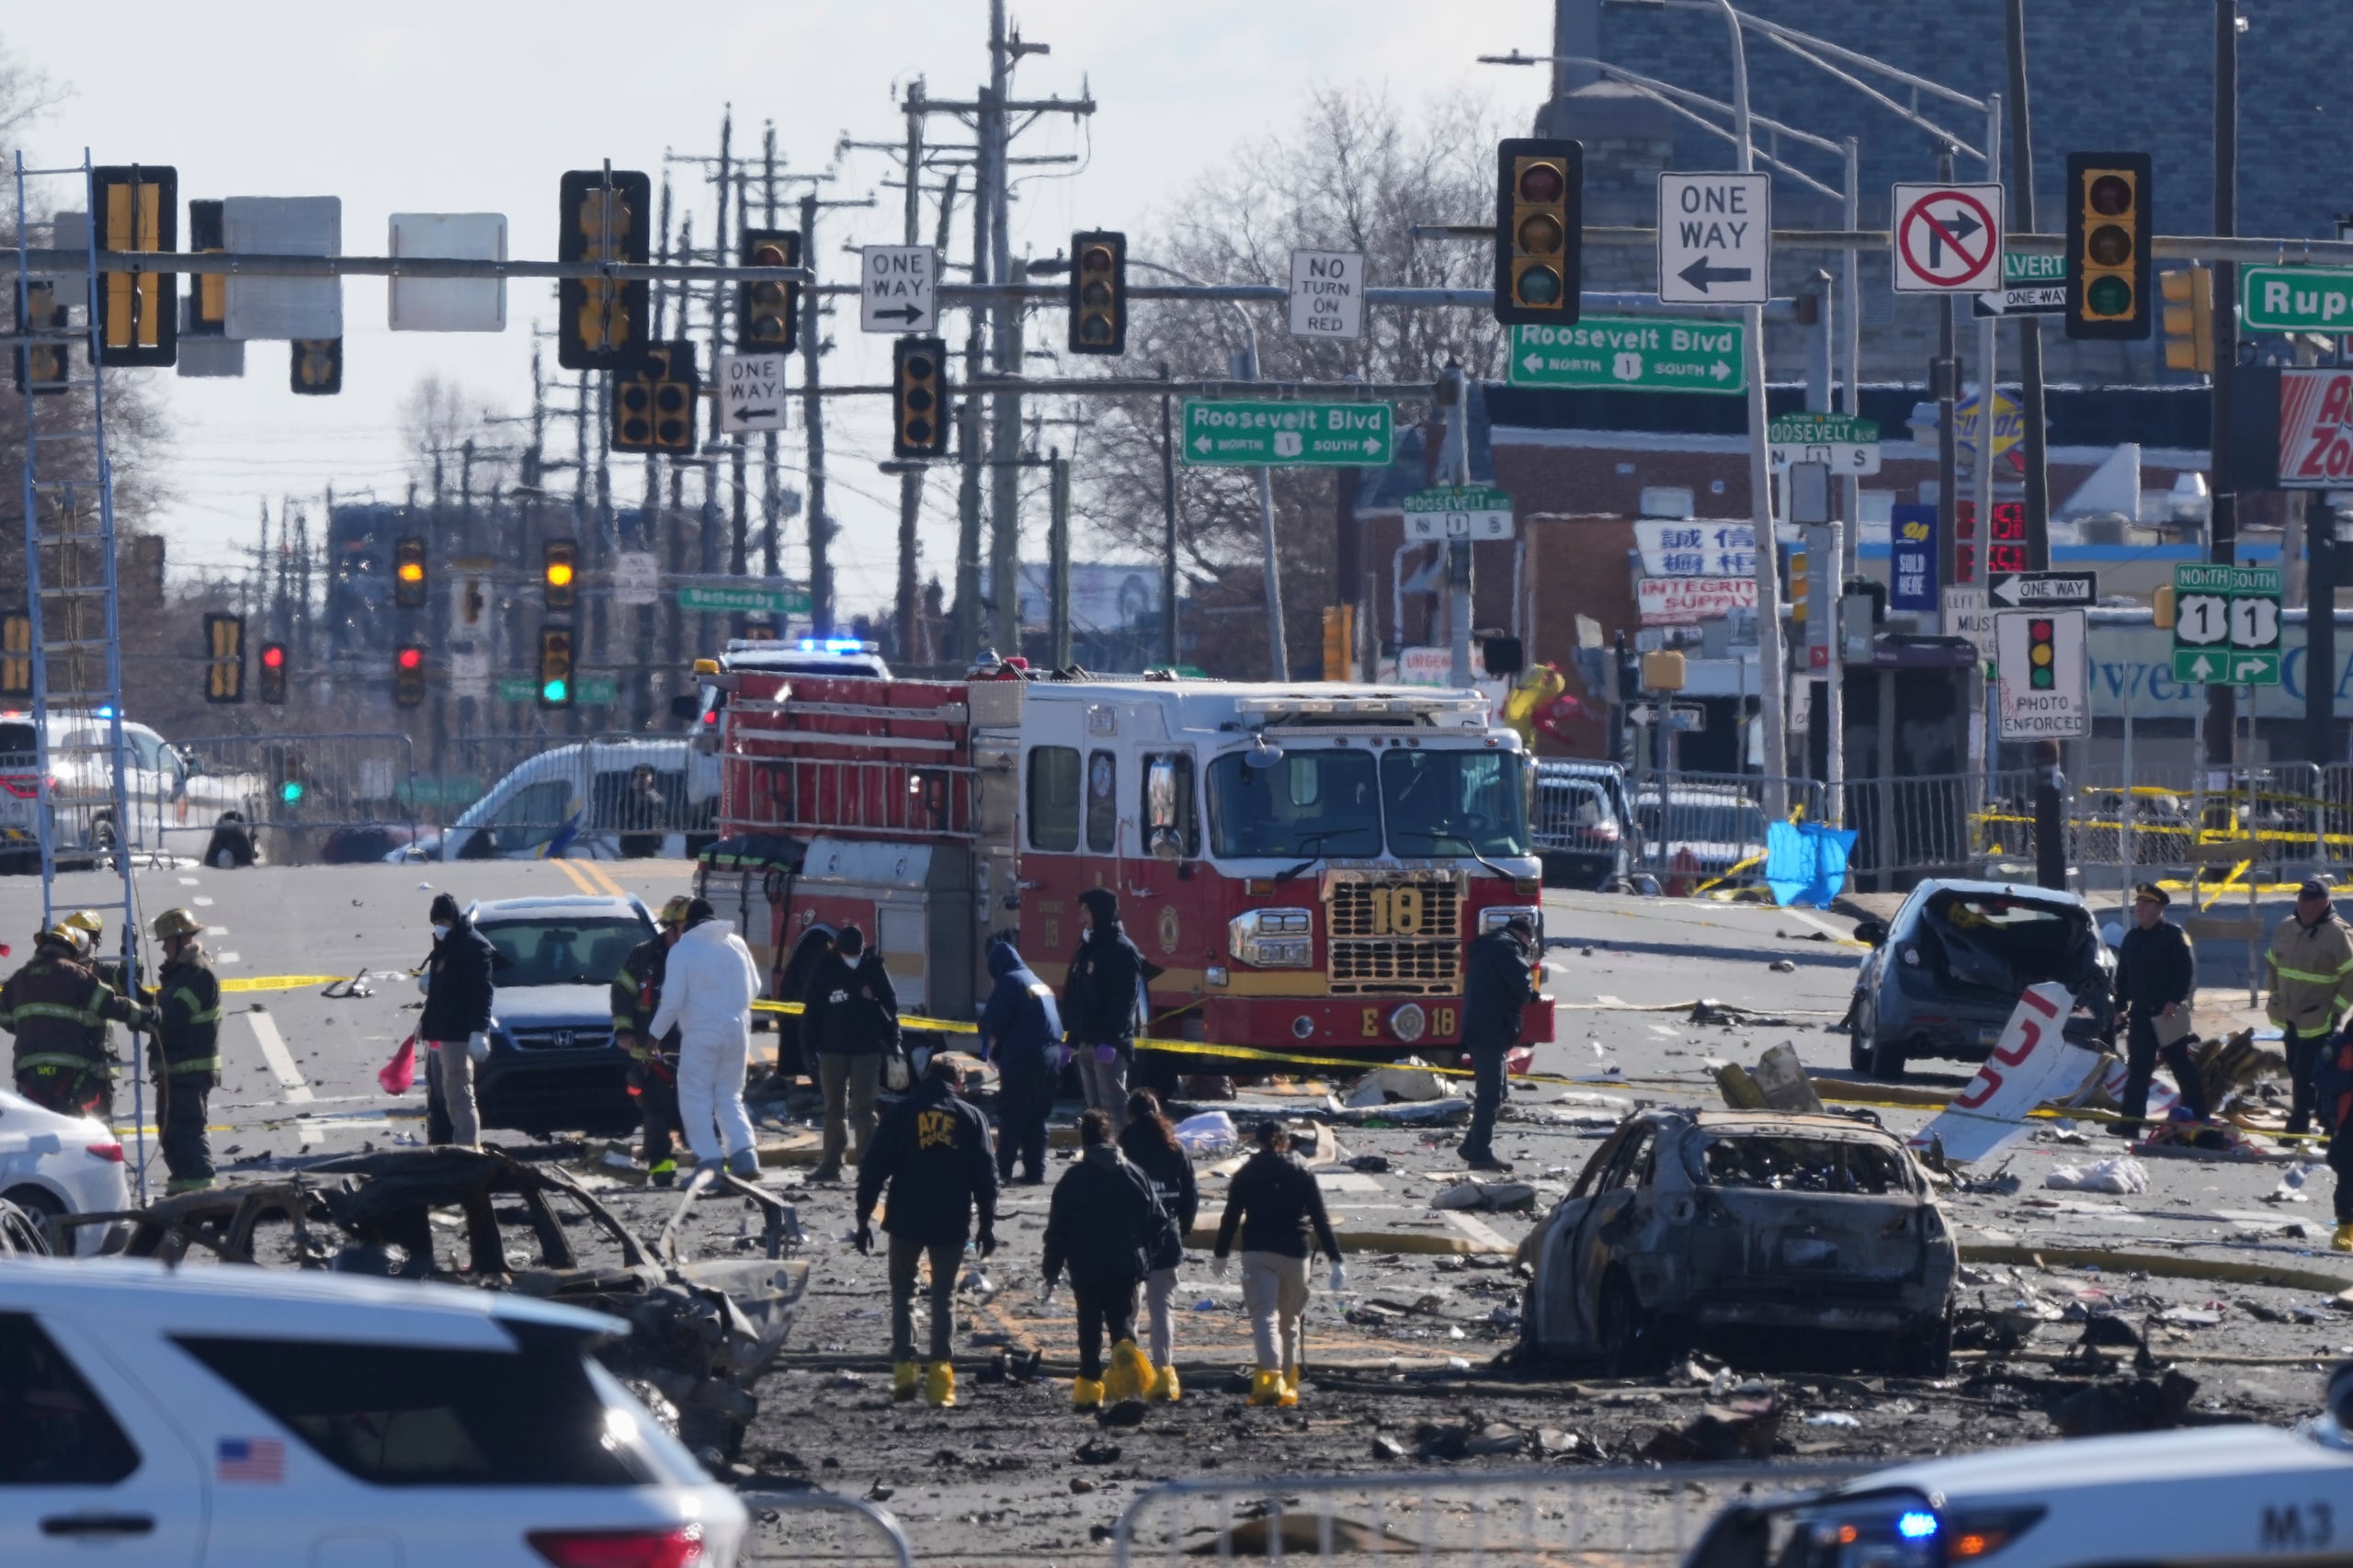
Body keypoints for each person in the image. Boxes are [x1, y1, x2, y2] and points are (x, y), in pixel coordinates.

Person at [856, 1056, 1000, 1409]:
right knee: (944, 1294)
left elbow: (873, 1169)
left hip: (905, 1216)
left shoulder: (901, 1114)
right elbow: (986, 1176)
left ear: (925, 1078)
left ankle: (904, 1369)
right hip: (950, 1219)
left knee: (904, 1291)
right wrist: (987, 1224)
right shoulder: (971, 1117)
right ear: (959, 1084)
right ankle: (940, 1378)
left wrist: (862, 1220)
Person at [1040, 1108, 1167, 1411]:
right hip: (1126, 1264)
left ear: (1084, 1141)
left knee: (1088, 1325)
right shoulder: (1133, 1174)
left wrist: (1051, 1270)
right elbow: (1158, 1221)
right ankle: (1128, 1387)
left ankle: (1088, 1388)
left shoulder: (1073, 1179)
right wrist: (1146, 1257)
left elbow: (1058, 1231)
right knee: (1122, 1326)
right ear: (1111, 1138)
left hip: (1086, 1265)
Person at [1212, 1119, 1344, 1408]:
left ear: (1258, 1142)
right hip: (1295, 1253)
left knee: (1264, 1316)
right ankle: (1288, 1379)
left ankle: (1270, 1378)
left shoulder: (1246, 1173)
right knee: (1289, 1321)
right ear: (1286, 1140)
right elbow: (1320, 1218)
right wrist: (1335, 1258)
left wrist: (1220, 1252)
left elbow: (1230, 1217)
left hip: (1258, 1251)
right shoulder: (1302, 1170)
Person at [646, 896, 764, 1179]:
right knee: (729, 1096)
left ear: (688, 922)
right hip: (737, 1031)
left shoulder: (684, 949)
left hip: (701, 1034)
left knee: (695, 1097)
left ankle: (709, 1164)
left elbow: (672, 1002)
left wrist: (654, 1037)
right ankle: (745, 1157)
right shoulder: (736, 943)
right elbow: (756, 987)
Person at [0, 923, 148, 1119]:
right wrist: (149, 1015)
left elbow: (6, 1019)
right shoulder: (74, 974)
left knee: (38, 1126)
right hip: (68, 1072)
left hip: (30, 1072)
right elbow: (109, 1004)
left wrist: (31, 1025)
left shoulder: (18, 978)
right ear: (71, 950)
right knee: (74, 1129)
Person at [801, 925, 900, 1183]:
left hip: (867, 1049)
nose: (851, 958)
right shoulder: (824, 968)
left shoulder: (873, 968)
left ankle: (868, 1164)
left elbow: (891, 1007)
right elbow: (812, 1012)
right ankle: (831, 1165)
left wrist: (894, 1041)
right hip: (832, 1049)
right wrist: (808, 1047)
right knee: (834, 1108)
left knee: (864, 1108)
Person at [1120, 1088, 1198, 1403]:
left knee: (1129, 1308)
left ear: (1131, 1114)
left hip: (1132, 1238)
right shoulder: (1173, 1146)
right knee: (1162, 1308)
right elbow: (1190, 1191)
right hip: (1167, 1237)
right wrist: (1186, 1225)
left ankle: (1131, 1373)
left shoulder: (1125, 1144)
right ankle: (1165, 1373)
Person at [2112, 882, 2205, 1132]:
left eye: (2145, 905)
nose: (2138, 909)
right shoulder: (2131, 938)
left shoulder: (2174, 936)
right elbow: (2122, 977)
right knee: (2138, 1069)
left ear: (2159, 908)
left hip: (2168, 1014)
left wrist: (2174, 1000)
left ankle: (2200, 1117)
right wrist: (2120, 1007)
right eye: (2138, 904)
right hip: (2141, 1014)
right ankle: (2130, 1123)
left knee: (2181, 1066)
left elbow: (2186, 972)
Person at [613, 895, 691, 1186]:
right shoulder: (644, 956)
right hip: (651, 1052)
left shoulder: (703, 955)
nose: (691, 932)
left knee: (697, 1112)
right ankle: (662, 1171)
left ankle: (713, 1167)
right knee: (656, 1115)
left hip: (692, 1050)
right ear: (670, 927)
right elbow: (622, 991)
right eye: (686, 926)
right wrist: (624, 1032)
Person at [2267, 878, 2353, 1136]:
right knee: (2296, 1069)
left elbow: (2351, 975)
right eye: (2301, 899)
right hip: (2290, 1018)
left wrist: (2336, 1011)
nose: (2304, 905)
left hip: (2318, 1021)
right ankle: (2326, 1120)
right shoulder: (2287, 927)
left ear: (2324, 903)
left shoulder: (2337, 934)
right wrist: (2273, 995)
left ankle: (2298, 1126)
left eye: (2310, 901)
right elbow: (2272, 963)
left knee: (2304, 1074)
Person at [147, 907, 222, 1194]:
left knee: (188, 1132)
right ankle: (182, 1193)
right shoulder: (181, 973)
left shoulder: (197, 973)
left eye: (167, 941)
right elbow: (166, 1007)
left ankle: (203, 1197)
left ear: (183, 940)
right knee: (171, 1134)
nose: (164, 948)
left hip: (189, 1071)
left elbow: (172, 1017)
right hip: (176, 1071)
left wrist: (142, 1015)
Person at [979, 938, 1062, 1185]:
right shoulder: (1037, 981)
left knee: (1012, 1114)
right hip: (1052, 1056)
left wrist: (990, 1054)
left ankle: (1002, 1172)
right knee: (1037, 1116)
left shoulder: (1009, 981)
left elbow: (991, 1022)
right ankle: (1035, 1172)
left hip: (1025, 1056)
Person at [1458, 913, 1537, 1172]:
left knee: (1498, 1091)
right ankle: (1480, 1154)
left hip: (1483, 1028)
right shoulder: (1507, 947)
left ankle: (1472, 1145)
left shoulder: (1489, 946)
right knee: (1490, 1093)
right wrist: (1532, 994)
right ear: (1524, 936)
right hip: (1490, 1029)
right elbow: (1523, 987)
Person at [419, 892, 496, 1150]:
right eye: (436, 922)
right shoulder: (447, 945)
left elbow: (482, 992)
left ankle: (467, 1147)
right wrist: (424, 1022)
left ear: (453, 918)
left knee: (460, 1093)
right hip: (443, 1033)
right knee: (449, 1094)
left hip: (459, 1034)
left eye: (442, 921)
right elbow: (438, 993)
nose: (439, 927)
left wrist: (479, 1031)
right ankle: (460, 1144)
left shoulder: (474, 946)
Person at [1063, 888, 1147, 1113]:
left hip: (1109, 1046)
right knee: (1094, 1112)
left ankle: (1119, 1148)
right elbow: (1076, 995)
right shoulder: (1087, 947)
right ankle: (1098, 1148)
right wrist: (1071, 1039)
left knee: (1114, 1108)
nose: (1081, 918)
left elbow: (1125, 1001)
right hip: (1086, 1043)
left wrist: (1110, 1040)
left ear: (1100, 913)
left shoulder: (1123, 951)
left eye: (1086, 912)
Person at [2314, 1017, 2353, 1252]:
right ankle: (2346, 1228)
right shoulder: (2339, 1045)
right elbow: (2321, 1078)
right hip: (2346, 1118)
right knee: (2348, 1171)